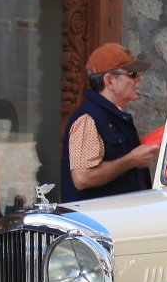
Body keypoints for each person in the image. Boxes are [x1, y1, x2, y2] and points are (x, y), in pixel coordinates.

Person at [60, 42, 158, 202]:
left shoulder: (112, 116)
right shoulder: (88, 119)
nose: (139, 78)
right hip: (94, 218)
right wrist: (131, 160)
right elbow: (82, 177)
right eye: (132, 73)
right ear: (110, 81)